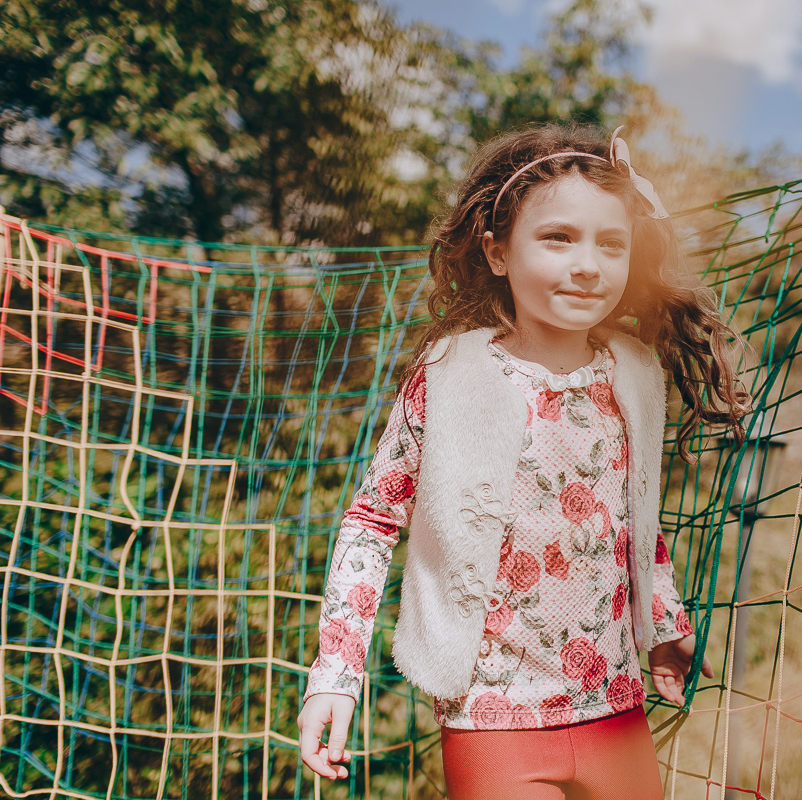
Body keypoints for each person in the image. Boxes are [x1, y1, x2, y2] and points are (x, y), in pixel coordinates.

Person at [297, 123, 749, 799]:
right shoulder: (450, 375)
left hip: (616, 708)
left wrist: (666, 625)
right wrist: (336, 673)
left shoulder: (634, 373)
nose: (588, 263)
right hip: (492, 720)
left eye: (611, 243)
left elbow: (637, 523)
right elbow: (371, 521)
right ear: (497, 251)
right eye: (559, 238)